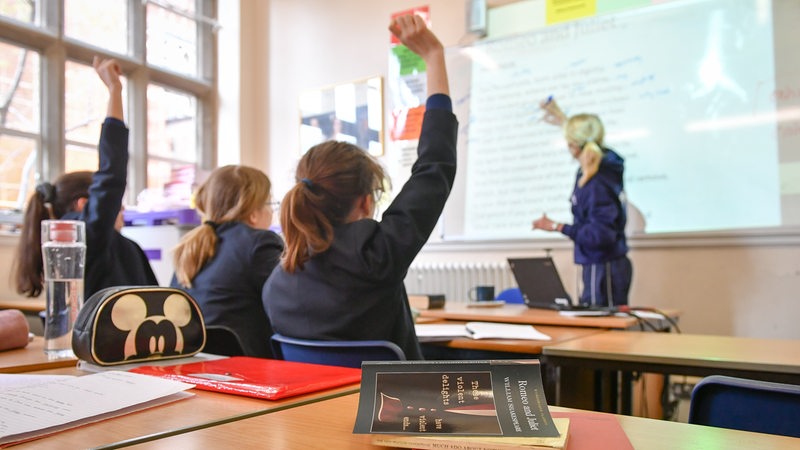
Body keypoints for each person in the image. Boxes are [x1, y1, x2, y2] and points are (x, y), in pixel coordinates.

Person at [262, 14, 457, 360]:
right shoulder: (378, 255)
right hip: (394, 413)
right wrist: (434, 57)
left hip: (312, 415)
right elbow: (435, 166)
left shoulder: (277, 284)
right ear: (365, 203)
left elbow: (433, 168)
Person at [13, 57, 157, 300]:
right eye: (117, 206)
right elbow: (111, 175)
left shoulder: (122, 246)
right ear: (82, 204)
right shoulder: (83, 238)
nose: (120, 210)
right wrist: (115, 90)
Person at [171, 165, 283, 358]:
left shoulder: (190, 247)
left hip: (195, 361)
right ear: (254, 213)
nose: (271, 213)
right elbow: (285, 306)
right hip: (247, 365)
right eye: (270, 205)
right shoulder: (260, 242)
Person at [533, 98, 632, 306]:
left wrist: (557, 226)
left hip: (603, 267)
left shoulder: (596, 182)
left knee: (600, 332)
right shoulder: (601, 169)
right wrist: (560, 116)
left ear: (573, 145)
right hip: (599, 264)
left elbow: (599, 235)